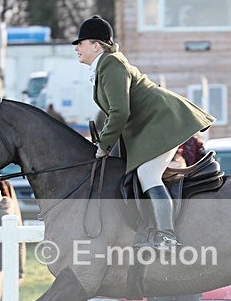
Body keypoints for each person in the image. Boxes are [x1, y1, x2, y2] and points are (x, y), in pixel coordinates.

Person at [73, 15, 215, 249]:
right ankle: (145, 229)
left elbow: (119, 112)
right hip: (151, 125)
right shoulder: (105, 66)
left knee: (149, 175)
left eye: (81, 43)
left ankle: (167, 236)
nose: (77, 47)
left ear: (96, 45)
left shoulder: (111, 63)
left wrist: (103, 146)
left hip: (164, 122)